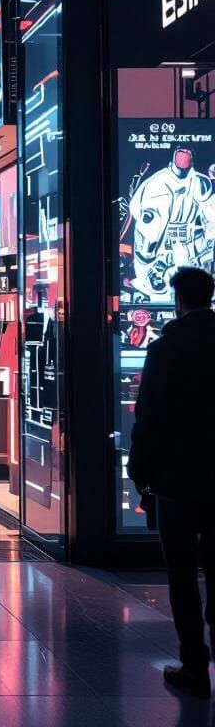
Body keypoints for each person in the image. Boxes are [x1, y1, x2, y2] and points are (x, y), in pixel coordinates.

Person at [129, 266, 215, 698]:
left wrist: (139, 473)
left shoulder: (166, 349)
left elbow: (149, 417)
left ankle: (195, 665)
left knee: (181, 575)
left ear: (178, 300)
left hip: (176, 481)